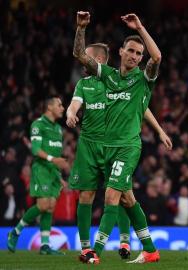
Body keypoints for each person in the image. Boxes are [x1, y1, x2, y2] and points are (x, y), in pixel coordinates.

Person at [67, 43, 172, 260]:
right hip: (97, 145)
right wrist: (71, 113)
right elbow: (78, 56)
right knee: (127, 199)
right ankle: (150, 250)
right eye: (130, 51)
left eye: (138, 53)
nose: (134, 56)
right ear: (121, 52)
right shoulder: (106, 79)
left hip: (124, 146)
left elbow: (141, 105)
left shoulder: (127, 80)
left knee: (112, 194)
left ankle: (98, 249)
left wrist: (159, 130)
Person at [7, 97, 69, 255]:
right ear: (49, 107)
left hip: (53, 172)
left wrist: (59, 176)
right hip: (41, 169)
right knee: (42, 205)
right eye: (59, 105)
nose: (62, 108)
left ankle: (45, 246)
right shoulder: (38, 125)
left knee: (50, 207)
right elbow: (35, 150)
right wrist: (53, 160)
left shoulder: (58, 129)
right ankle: (15, 231)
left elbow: (56, 156)